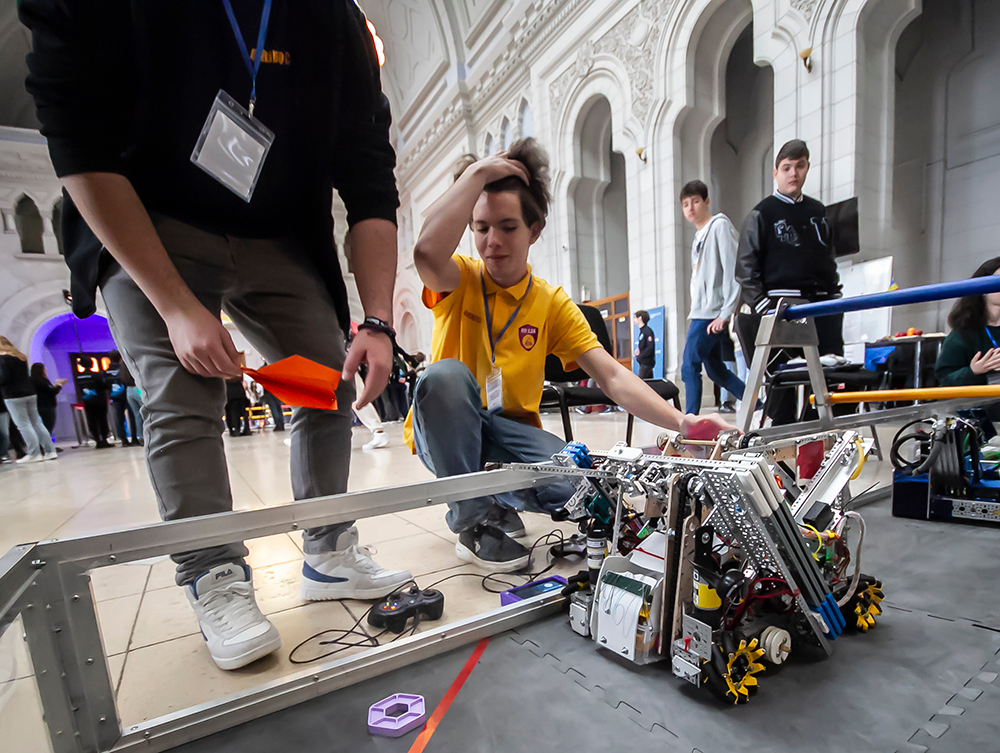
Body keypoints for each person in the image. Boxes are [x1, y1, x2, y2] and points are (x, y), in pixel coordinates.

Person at [21, 0, 411, 671]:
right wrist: (175, 308)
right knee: (184, 391)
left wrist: (375, 321)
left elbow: (371, 178)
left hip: (278, 231)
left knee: (325, 377)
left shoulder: (330, 20)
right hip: (148, 217)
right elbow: (76, 137)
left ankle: (329, 550)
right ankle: (215, 574)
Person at [404, 139, 731, 572]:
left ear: (534, 230)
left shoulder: (550, 303)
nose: (492, 242)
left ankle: (497, 498)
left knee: (580, 488)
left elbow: (612, 377)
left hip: (506, 433)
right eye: (480, 228)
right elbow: (426, 251)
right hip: (445, 432)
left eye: (507, 227)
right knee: (445, 377)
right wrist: (477, 174)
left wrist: (682, 422)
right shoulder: (458, 278)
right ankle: (473, 521)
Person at [735, 139, 842, 424]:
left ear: (807, 168)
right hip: (782, 305)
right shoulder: (762, 214)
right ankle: (782, 440)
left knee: (829, 378)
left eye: (799, 166)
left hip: (822, 304)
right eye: (786, 167)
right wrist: (763, 306)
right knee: (782, 383)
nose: (793, 173)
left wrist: (834, 295)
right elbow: (745, 268)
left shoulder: (819, 212)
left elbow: (828, 258)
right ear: (776, 173)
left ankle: (818, 439)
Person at [679, 180, 746, 415]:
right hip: (701, 311)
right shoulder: (698, 237)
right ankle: (757, 404)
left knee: (689, 367)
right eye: (686, 204)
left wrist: (726, 312)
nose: (691, 208)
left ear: (706, 201)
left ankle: (690, 421)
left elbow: (733, 269)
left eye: (696, 201)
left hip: (710, 313)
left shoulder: (719, 226)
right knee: (717, 371)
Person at [936, 257, 1000, 387]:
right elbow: (944, 380)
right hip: (979, 404)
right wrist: (973, 371)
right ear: (983, 288)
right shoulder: (962, 335)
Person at [0, 337, 57, 463]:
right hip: (30, 393)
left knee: (23, 424)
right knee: (37, 422)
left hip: (13, 395)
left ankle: (34, 453)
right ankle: (50, 451)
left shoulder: (2, 359)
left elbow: (3, 378)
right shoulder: (20, 357)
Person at [108, 350, 141, 446]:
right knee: (134, 416)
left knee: (119, 418)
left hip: (117, 396)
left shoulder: (109, 369)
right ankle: (135, 438)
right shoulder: (125, 365)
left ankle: (123, 439)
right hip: (128, 391)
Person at [29, 363, 67, 436]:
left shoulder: (30, 380)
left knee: (39, 426)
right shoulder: (42, 380)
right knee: (48, 426)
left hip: (36, 405)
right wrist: (59, 385)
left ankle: (43, 444)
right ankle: (48, 445)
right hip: (47, 405)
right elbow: (51, 391)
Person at [633, 310, 656, 380]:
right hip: (643, 362)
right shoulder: (642, 332)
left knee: (640, 383)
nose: (633, 320)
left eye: (635, 318)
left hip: (646, 362)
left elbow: (650, 347)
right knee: (648, 383)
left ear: (640, 318)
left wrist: (641, 356)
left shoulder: (647, 331)